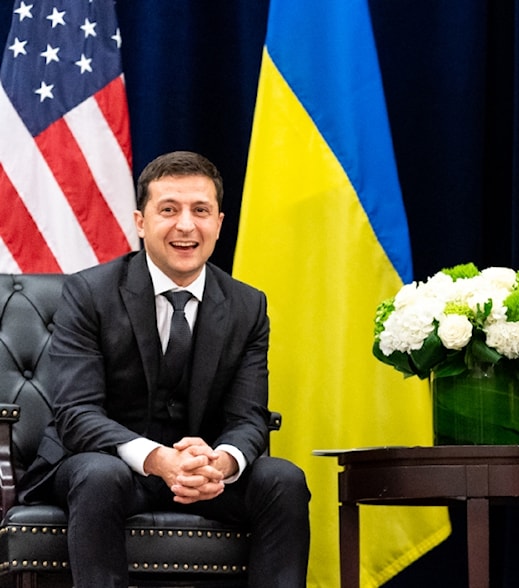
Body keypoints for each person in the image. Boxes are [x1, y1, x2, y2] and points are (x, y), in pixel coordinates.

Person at [16, 150, 311, 587]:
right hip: (110, 467)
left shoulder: (249, 306)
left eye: (201, 211)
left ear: (219, 223)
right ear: (140, 222)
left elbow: (248, 417)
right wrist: (158, 459)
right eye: (168, 210)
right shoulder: (88, 293)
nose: (186, 226)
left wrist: (222, 463)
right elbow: (77, 415)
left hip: (201, 476)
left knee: (283, 479)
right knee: (99, 474)